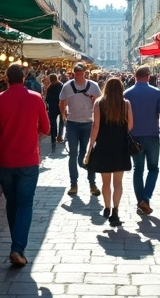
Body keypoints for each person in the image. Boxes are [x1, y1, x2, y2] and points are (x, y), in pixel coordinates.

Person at [0, 64, 50, 266]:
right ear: (24, 78)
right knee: (25, 203)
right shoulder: (35, 97)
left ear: (6, 79)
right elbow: (47, 128)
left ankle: (17, 244)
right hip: (28, 159)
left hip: (5, 159)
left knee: (12, 202)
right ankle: (17, 248)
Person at [85, 76, 133, 226]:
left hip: (104, 145)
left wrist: (90, 145)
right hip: (120, 145)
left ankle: (107, 207)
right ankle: (116, 212)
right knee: (118, 182)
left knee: (106, 182)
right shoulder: (125, 104)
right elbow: (131, 125)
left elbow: (95, 126)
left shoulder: (99, 103)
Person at [124, 65, 160, 216]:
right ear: (148, 76)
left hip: (134, 137)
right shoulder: (156, 92)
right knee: (153, 168)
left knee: (138, 170)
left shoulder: (127, 93)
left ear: (135, 77)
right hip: (152, 136)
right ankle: (146, 198)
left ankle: (140, 201)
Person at [60, 62, 102, 197]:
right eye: (77, 74)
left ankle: (92, 183)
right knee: (73, 154)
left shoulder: (93, 86)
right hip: (72, 124)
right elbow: (61, 102)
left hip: (88, 124)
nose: (79, 76)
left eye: (81, 73)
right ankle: (74, 184)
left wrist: (94, 104)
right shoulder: (67, 86)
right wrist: (64, 117)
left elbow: (100, 102)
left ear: (85, 73)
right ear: (73, 73)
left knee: (88, 153)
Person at [44, 73, 64, 149]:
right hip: (60, 106)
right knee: (61, 121)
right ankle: (59, 136)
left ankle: (55, 135)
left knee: (54, 122)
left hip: (53, 107)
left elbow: (47, 99)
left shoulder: (50, 87)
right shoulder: (62, 86)